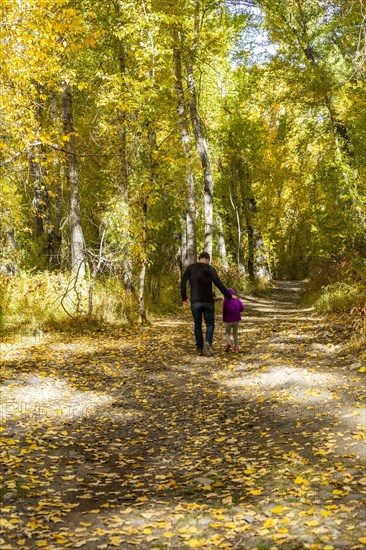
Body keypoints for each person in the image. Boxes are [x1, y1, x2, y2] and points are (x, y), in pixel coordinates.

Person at [181, 252, 236, 356]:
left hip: (195, 302)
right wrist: (229, 295)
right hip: (208, 302)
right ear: (207, 259)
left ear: (200, 258)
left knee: (197, 324)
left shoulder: (190, 268)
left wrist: (184, 298)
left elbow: (183, 283)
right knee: (210, 324)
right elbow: (219, 284)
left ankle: (199, 349)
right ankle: (208, 344)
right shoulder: (210, 269)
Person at [223, 288, 245, 353]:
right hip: (236, 320)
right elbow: (242, 308)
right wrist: (238, 310)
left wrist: (224, 319)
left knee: (227, 333)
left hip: (228, 320)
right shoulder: (236, 299)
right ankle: (236, 348)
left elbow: (224, 311)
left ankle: (228, 342)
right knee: (235, 334)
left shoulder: (225, 300)